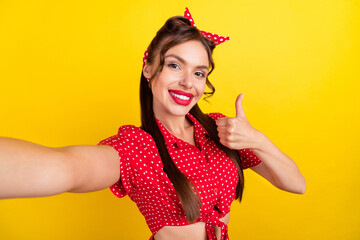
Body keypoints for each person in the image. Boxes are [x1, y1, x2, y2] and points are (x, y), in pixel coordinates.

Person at [0, 7, 306, 240]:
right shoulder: (136, 149)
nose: (188, 82)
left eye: (199, 72)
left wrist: (257, 139)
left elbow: (295, 184)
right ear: (149, 69)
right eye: (175, 65)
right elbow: (65, 168)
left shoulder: (220, 130)